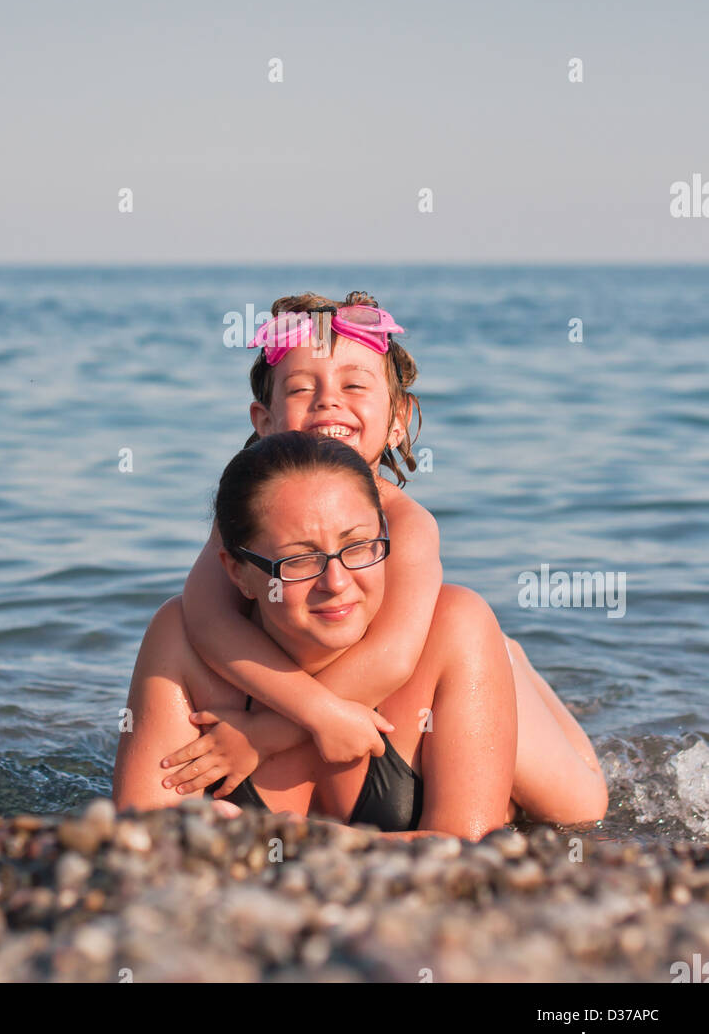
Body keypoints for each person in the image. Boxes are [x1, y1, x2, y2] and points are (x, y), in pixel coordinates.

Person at [161, 291, 608, 824]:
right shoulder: (247, 521)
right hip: (345, 697)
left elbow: (394, 659)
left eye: (354, 385)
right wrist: (316, 712)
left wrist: (264, 735)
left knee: (578, 809)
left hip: (419, 663)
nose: (329, 402)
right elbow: (207, 620)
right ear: (264, 421)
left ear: (398, 419)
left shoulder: (410, 524)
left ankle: (510, 665)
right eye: (303, 388)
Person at [113, 431, 607, 837]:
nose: (337, 582)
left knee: (578, 808)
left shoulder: (452, 629)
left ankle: (507, 663)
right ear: (238, 572)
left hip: (468, 670)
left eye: (360, 546)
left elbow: (466, 849)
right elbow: (138, 838)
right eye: (299, 560)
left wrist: (287, 842)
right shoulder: (182, 637)